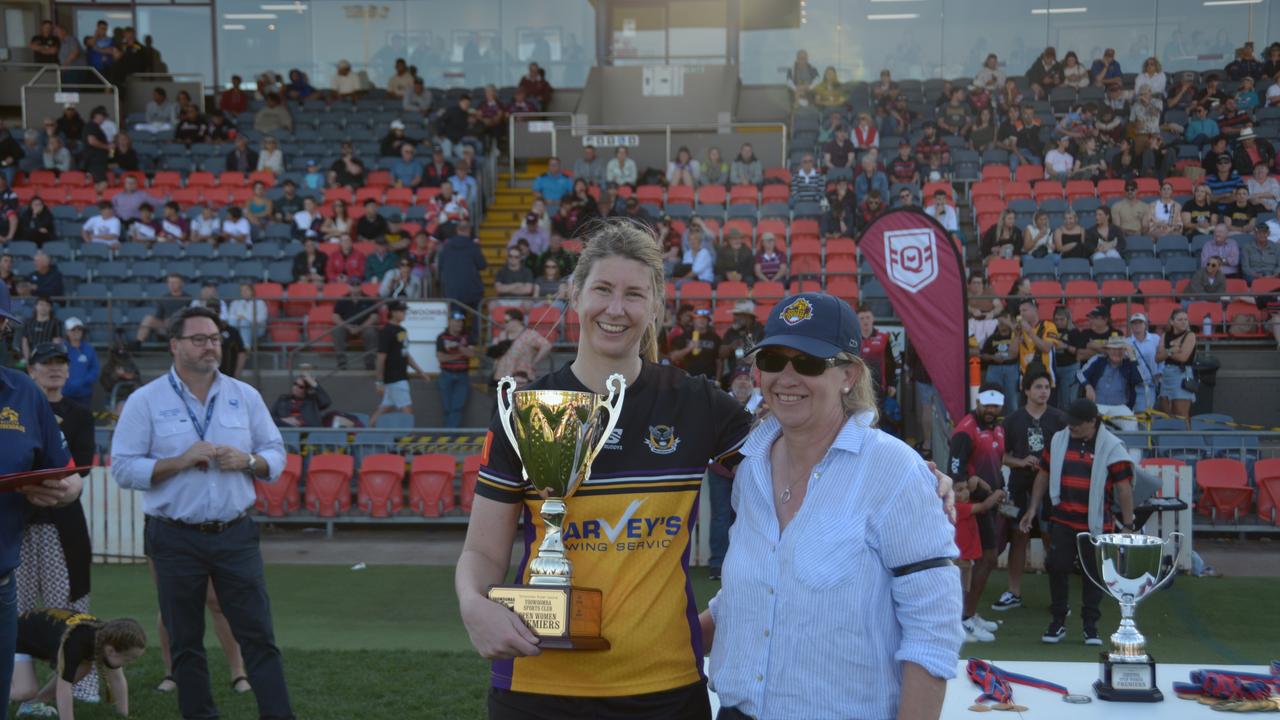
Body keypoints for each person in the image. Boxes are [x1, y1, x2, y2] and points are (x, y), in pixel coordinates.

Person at [457, 221, 756, 718]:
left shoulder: (697, 404)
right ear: (575, 294)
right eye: (602, 289)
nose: (616, 309)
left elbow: (800, 463)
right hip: (537, 689)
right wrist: (473, 603)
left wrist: (914, 475)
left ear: (655, 305)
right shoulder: (525, 408)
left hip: (666, 688)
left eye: (634, 294)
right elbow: (483, 549)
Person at [704, 291, 959, 719]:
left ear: (848, 374)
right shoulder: (751, 469)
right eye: (771, 360)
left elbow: (932, 633)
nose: (786, 377)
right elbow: (752, 594)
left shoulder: (896, 472)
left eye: (807, 362)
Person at [110, 306, 292, 720]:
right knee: (185, 641)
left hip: (235, 532)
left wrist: (247, 460)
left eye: (215, 338)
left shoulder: (244, 396)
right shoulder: (146, 401)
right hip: (173, 536)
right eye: (200, 339)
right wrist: (177, 461)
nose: (211, 346)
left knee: (259, 636)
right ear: (175, 345)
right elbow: (122, 468)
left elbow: (276, 455)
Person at [15, 343, 98, 708]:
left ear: (68, 371)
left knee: (67, 603)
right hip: (16, 523)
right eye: (46, 363)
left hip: (61, 523)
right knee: (14, 606)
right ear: (30, 369)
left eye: (60, 363)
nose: (54, 369)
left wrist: (42, 483)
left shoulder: (79, 413)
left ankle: (76, 684)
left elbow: (80, 467)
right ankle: (17, 682)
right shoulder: (15, 409)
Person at [1019, 398, 1136, 646]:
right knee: (1056, 566)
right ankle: (1058, 620)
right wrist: (1032, 508)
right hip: (1063, 518)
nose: (1070, 427)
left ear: (1092, 422)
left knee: (1093, 575)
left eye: (1076, 424)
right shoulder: (1060, 440)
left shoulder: (1113, 447)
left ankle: (1090, 626)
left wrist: (1128, 525)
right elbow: (1044, 473)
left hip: (1096, 523)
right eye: (1069, 422)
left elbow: (1124, 488)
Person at [992, 369, 1068, 614]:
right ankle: (1014, 591)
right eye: (1038, 386)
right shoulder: (1013, 420)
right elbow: (1000, 455)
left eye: (1046, 387)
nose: (1043, 391)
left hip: (1051, 489)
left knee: (1051, 538)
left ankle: (1060, 598)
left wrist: (1049, 465)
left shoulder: (1059, 419)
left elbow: (1068, 452)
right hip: (1019, 487)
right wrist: (1021, 462)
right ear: (1026, 390)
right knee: (1018, 537)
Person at [947, 382, 1008, 642]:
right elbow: (956, 472)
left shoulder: (996, 429)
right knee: (980, 560)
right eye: (988, 405)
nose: (992, 409)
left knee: (984, 560)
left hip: (990, 504)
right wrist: (979, 489)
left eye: (996, 405)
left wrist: (998, 491)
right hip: (973, 509)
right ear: (979, 403)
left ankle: (968, 614)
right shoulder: (966, 430)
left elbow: (997, 464)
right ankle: (963, 618)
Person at [9, 611, 145, 719]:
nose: (130, 662)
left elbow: (117, 679)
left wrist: (123, 716)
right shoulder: (75, 643)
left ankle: (32, 705)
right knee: (24, 691)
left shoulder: (106, 637)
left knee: (84, 668)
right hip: (13, 636)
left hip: (30, 635)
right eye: (128, 659)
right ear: (110, 650)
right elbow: (64, 689)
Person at [370, 301, 427, 425]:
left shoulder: (401, 330)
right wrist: (379, 381)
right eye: (401, 311)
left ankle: (364, 433)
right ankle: (408, 442)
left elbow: (405, 354)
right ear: (392, 313)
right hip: (395, 379)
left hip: (399, 377)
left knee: (385, 408)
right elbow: (380, 357)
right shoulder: (386, 331)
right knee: (407, 413)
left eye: (404, 310)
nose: (404, 313)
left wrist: (420, 371)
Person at [1078, 336, 1145, 432]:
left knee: (1132, 425)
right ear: (1108, 350)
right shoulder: (1098, 360)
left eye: (1120, 349)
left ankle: (1133, 448)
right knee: (1089, 427)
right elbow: (1080, 374)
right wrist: (1087, 386)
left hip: (1120, 407)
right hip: (1097, 405)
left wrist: (1132, 357)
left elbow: (1139, 379)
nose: (1117, 352)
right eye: (1113, 349)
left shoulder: (1129, 363)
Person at [1156, 308, 1197, 424]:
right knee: (1167, 413)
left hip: (1182, 373)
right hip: (1167, 374)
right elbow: (1157, 358)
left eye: (1186, 319)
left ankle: (1187, 440)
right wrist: (1172, 350)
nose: (1184, 322)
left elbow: (1183, 357)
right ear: (1172, 322)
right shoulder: (1166, 335)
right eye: (1180, 319)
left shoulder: (1190, 335)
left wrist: (1166, 352)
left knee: (1181, 414)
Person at [435, 312, 474, 428]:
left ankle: (450, 439)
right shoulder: (441, 337)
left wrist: (458, 346)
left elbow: (471, 354)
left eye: (461, 321)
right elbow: (441, 358)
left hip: (463, 376)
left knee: (457, 408)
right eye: (457, 321)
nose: (460, 324)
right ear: (450, 321)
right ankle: (448, 438)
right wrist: (461, 354)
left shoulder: (467, 336)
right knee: (447, 408)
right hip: (446, 375)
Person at [437, 221, 487, 313]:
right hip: (472, 290)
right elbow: (482, 265)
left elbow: (440, 266)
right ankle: (476, 327)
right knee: (477, 315)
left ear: (457, 230)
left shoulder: (446, 247)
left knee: (456, 316)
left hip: (452, 291)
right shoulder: (473, 246)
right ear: (469, 230)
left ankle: (458, 325)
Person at [332, 282, 379, 371]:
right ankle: (342, 363)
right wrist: (347, 327)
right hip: (347, 327)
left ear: (361, 286)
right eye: (352, 285)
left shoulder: (369, 299)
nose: (355, 287)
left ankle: (370, 363)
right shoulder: (342, 299)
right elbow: (335, 317)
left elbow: (374, 317)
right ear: (348, 286)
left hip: (364, 327)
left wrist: (361, 327)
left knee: (371, 332)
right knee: (337, 330)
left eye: (357, 285)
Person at [61, 318, 99, 408]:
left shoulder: (89, 349)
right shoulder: (61, 349)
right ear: (67, 332)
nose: (76, 332)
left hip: (84, 394)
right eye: (73, 330)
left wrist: (84, 382)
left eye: (79, 329)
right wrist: (67, 383)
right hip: (64, 393)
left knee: (82, 420)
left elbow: (95, 368)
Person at [228, 283, 268, 348]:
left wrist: (246, 318)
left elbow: (262, 318)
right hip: (238, 327)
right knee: (232, 321)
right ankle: (231, 348)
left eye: (247, 290)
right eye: (242, 290)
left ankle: (245, 349)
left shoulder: (260, 303)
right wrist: (238, 318)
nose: (244, 292)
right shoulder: (235, 303)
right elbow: (230, 317)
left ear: (252, 291)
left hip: (256, 328)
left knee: (244, 322)